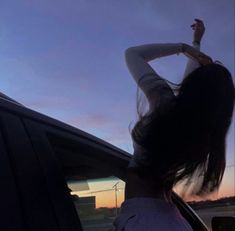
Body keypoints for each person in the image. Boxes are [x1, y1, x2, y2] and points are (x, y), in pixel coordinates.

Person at [112, 19, 235, 231]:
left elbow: (132, 54)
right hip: (168, 217)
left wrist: (184, 48)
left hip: (144, 217)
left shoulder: (164, 102)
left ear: (195, 83)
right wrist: (196, 44)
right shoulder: (201, 133)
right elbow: (193, 90)